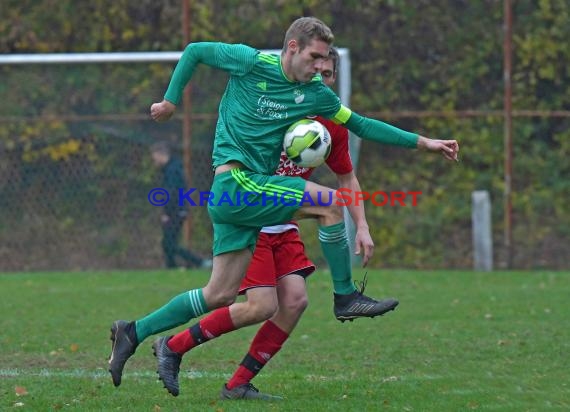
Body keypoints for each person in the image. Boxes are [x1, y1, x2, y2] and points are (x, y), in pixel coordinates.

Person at [108, 17, 459, 389]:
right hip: (236, 182)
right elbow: (195, 51)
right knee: (329, 204)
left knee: (220, 293)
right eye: (314, 58)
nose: (318, 68)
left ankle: (133, 330)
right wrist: (170, 100)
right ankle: (344, 296)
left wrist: (424, 142)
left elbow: (362, 124)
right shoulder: (250, 62)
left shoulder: (317, 96)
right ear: (292, 47)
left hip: (246, 197)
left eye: (325, 62)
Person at [151, 47, 387, 400]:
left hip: (285, 226)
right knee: (257, 306)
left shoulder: (330, 127)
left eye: (327, 76)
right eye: (315, 71)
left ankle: (237, 384)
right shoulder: (276, 107)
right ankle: (173, 345)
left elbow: (346, 178)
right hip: (255, 219)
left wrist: (363, 225)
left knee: (294, 301)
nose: (319, 79)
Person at [150, 141, 212, 269]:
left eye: (154, 156)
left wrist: (167, 212)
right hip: (178, 209)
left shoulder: (172, 170)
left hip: (175, 211)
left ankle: (200, 262)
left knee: (170, 243)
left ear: (161, 154)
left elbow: (171, 193)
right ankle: (171, 267)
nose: (154, 160)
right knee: (167, 243)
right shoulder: (172, 168)